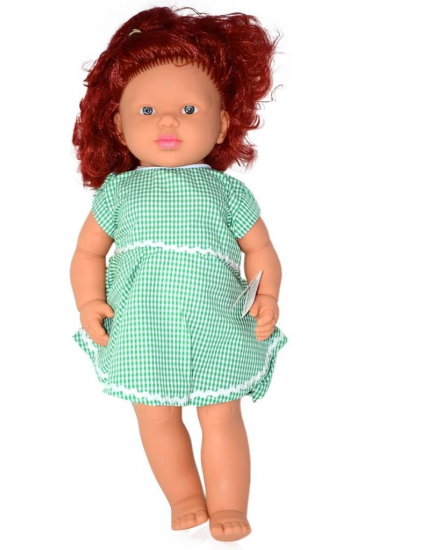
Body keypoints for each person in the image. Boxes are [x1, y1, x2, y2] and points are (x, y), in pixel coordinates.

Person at [69, 6, 288, 542]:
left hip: (216, 322)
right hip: (142, 325)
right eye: (147, 110)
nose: (168, 121)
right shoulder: (117, 192)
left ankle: (229, 502)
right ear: (118, 125)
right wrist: (89, 301)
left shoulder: (227, 192)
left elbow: (260, 248)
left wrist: (268, 295)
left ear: (223, 124)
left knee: (221, 414)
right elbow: (88, 254)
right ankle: (185, 496)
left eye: (189, 109)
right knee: (155, 415)